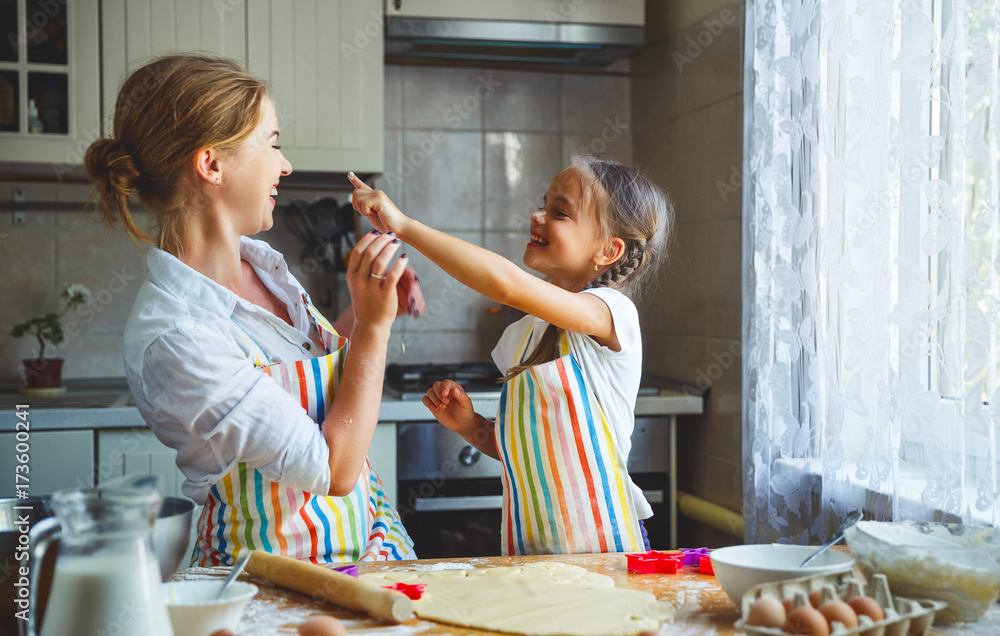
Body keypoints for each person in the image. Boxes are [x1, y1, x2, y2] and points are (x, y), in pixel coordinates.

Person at [84, 54, 418, 565]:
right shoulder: (175, 335)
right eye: (273, 142)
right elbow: (333, 468)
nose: (285, 164)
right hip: (268, 584)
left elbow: (320, 384)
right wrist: (374, 329)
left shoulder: (263, 267)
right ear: (211, 164)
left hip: (366, 548)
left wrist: (372, 301)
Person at [349, 157, 673, 555]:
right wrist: (472, 427)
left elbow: (507, 286)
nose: (537, 216)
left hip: (606, 552)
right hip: (529, 552)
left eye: (559, 212)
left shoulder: (611, 313)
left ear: (609, 250)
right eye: (543, 203)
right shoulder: (521, 337)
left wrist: (404, 227)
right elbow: (525, 450)